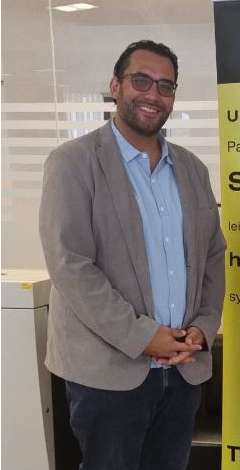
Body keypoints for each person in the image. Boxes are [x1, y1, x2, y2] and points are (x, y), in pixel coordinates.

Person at [39, 40, 226, 470]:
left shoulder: (192, 169)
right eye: (141, 80)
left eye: (165, 86)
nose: (153, 94)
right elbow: (70, 265)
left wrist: (202, 328)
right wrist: (143, 336)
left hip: (182, 368)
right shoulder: (73, 163)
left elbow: (214, 256)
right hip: (108, 373)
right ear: (115, 86)